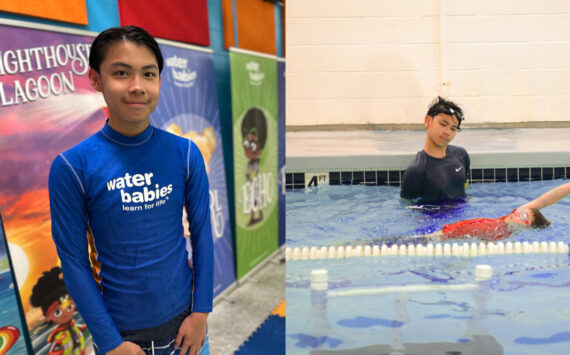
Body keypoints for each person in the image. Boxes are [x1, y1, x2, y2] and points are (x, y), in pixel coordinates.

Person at [48, 26, 213, 355]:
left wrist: (201, 312)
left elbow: (202, 233)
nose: (137, 86)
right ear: (96, 79)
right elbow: (74, 263)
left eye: (148, 74)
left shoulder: (186, 153)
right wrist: (110, 343)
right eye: (122, 73)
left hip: (187, 328)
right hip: (121, 337)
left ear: (159, 81)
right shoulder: (71, 167)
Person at [426, 182, 570, 241]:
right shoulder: (507, 219)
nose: (518, 212)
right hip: (444, 231)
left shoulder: (504, 237)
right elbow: (545, 201)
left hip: (444, 238)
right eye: (521, 210)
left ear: (527, 227)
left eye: (523, 215)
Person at [400, 97, 470, 203]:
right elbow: (407, 206)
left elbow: (464, 188)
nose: (447, 132)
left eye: (453, 128)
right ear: (427, 121)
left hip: (462, 214)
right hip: (435, 217)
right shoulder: (417, 170)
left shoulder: (461, 155)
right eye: (443, 124)